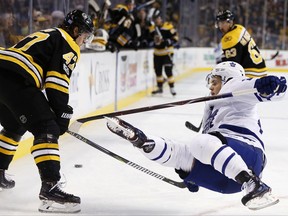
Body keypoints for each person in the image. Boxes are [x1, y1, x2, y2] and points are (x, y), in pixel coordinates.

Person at [106, 61, 287, 210]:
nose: (211, 87)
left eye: (215, 81)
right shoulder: (212, 105)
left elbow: (256, 89)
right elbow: (208, 147)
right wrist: (192, 173)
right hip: (229, 182)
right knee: (182, 156)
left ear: (227, 79)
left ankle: (254, 184)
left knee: (199, 143)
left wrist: (271, 86)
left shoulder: (233, 87)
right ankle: (142, 141)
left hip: (248, 156)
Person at [0, 9, 94, 213]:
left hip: (3, 72)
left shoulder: (51, 33)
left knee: (13, 125)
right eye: (84, 36)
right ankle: (50, 189)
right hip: (17, 78)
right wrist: (61, 114)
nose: (83, 41)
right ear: (76, 29)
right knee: (46, 128)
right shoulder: (68, 41)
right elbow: (57, 81)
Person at [215, 10, 267, 78]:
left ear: (230, 23)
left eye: (222, 23)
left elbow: (232, 65)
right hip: (262, 69)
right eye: (219, 23)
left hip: (250, 73)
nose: (220, 26)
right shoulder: (240, 28)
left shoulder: (228, 38)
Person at [149, 9, 179, 96]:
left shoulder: (168, 26)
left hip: (167, 53)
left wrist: (167, 41)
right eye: (154, 19)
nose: (156, 21)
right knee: (158, 72)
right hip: (157, 53)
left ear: (161, 18)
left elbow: (176, 38)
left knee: (168, 70)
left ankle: (172, 87)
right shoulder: (152, 28)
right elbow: (149, 38)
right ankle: (160, 88)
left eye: (157, 19)